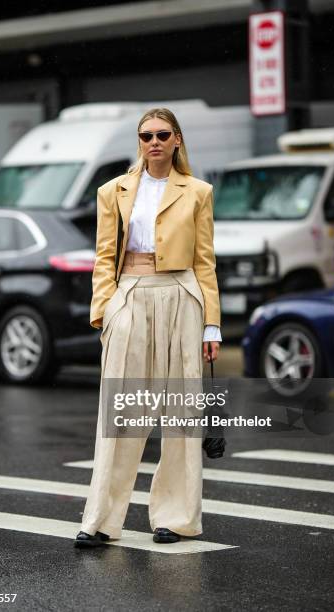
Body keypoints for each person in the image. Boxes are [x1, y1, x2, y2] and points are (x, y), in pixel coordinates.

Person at [74, 107, 221, 547]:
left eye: (161, 134)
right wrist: (105, 310)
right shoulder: (112, 191)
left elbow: (206, 263)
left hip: (182, 294)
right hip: (131, 296)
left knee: (179, 412)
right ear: (138, 142)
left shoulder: (198, 191)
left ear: (177, 139)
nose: (153, 142)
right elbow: (103, 257)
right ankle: (100, 520)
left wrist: (211, 325)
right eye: (145, 135)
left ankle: (175, 519)